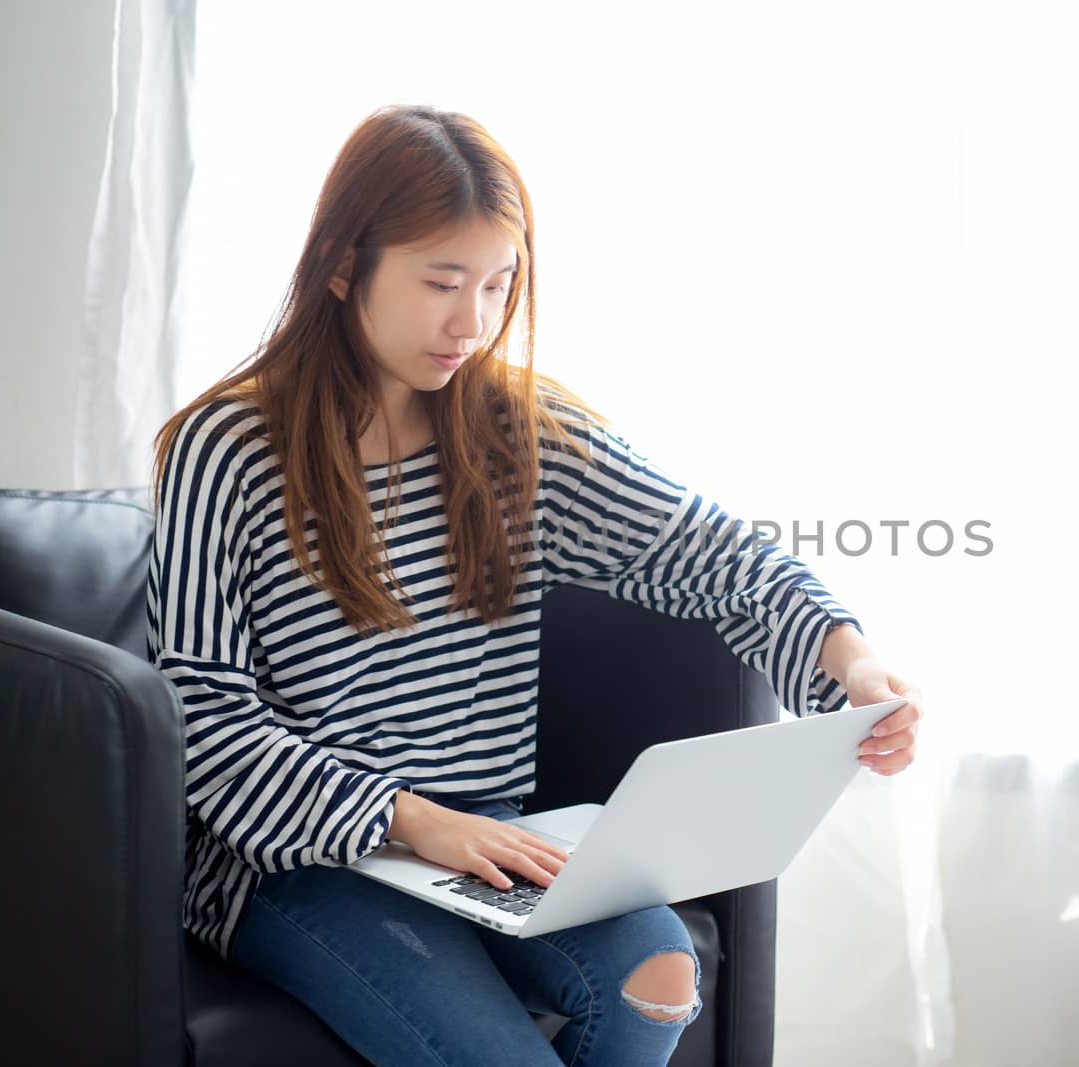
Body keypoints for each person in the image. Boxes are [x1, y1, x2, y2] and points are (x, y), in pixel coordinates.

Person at [146, 104, 924, 1067]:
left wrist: (850, 664)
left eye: (497, 283)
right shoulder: (226, 451)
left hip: (488, 834)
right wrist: (417, 821)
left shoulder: (516, 433)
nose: (470, 322)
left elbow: (715, 553)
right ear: (346, 265)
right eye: (440, 282)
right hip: (301, 864)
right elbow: (206, 723)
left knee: (657, 975)